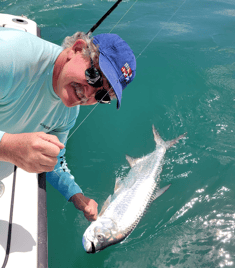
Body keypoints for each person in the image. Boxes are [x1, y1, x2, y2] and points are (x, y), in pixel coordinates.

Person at [0, 28, 136, 221]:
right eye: (94, 76)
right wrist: (6, 147)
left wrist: (76, 196)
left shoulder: (69, 112)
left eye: (102, 95)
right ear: (77, 49)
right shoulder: (10, 56)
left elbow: (55, 159)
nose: (88, 94)